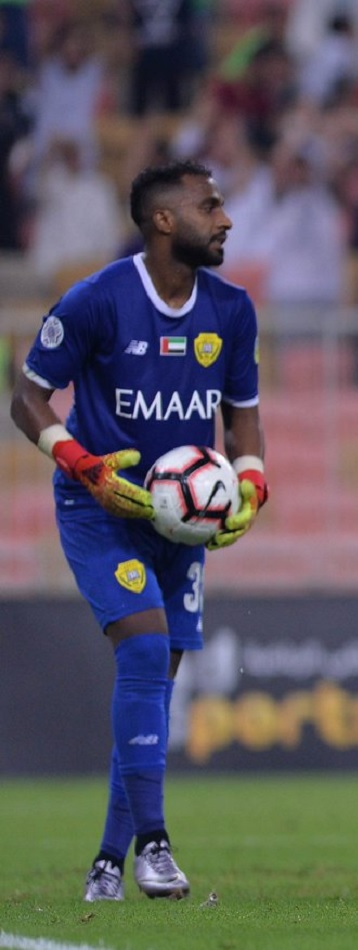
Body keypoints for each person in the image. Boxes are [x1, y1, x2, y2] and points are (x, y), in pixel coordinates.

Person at [8, 159, 269, 901]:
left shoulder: (233, 309)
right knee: (148, 649)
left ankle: (107, 864)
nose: (224, 219)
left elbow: (242, 414)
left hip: (181, 527)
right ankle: (156, 845)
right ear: (164, 221)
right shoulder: (97, 300)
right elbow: (26, 397)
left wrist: (250, 481)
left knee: (156, 685)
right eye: (209, 206)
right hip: (100, 509)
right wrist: (83, 464)